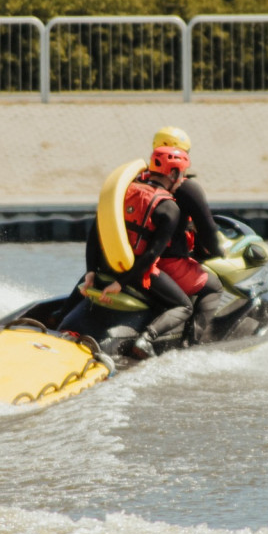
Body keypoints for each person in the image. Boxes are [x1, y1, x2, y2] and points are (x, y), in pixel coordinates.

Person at [79, 145, 195, 359]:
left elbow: (95, 234)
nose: (182, 180)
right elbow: (151, 256)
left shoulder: (124, 192)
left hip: (105, 265)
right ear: (173, 173)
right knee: (185, 306)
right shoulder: (170, 208)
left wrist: (90, 272)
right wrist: (121, 283)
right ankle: (146, 339)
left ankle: (57, 318)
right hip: (135, 274)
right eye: (182, 174)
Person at [150, 126, 225, 345]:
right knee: (213, 286)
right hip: (168, 262)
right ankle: (190, 343)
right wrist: (219, 251)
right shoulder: (186, 188)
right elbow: (208, 228)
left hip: (140, 257)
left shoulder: (142, 180)